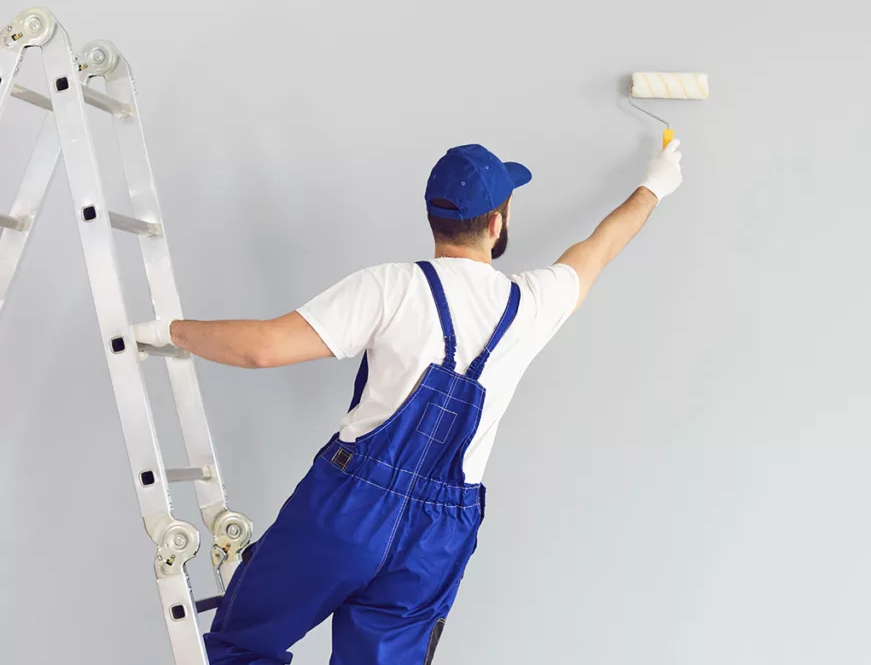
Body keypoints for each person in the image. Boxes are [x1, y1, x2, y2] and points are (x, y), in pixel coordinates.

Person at [133, 139, 683, 664]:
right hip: (437, 538)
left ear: (433, 219)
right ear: (497, 223)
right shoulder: (533, 303)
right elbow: (600, 246)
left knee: (241, 647)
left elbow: (262, 349)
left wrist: (171, 331)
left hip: (345, 507)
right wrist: (653, 187)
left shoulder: (390, 287)